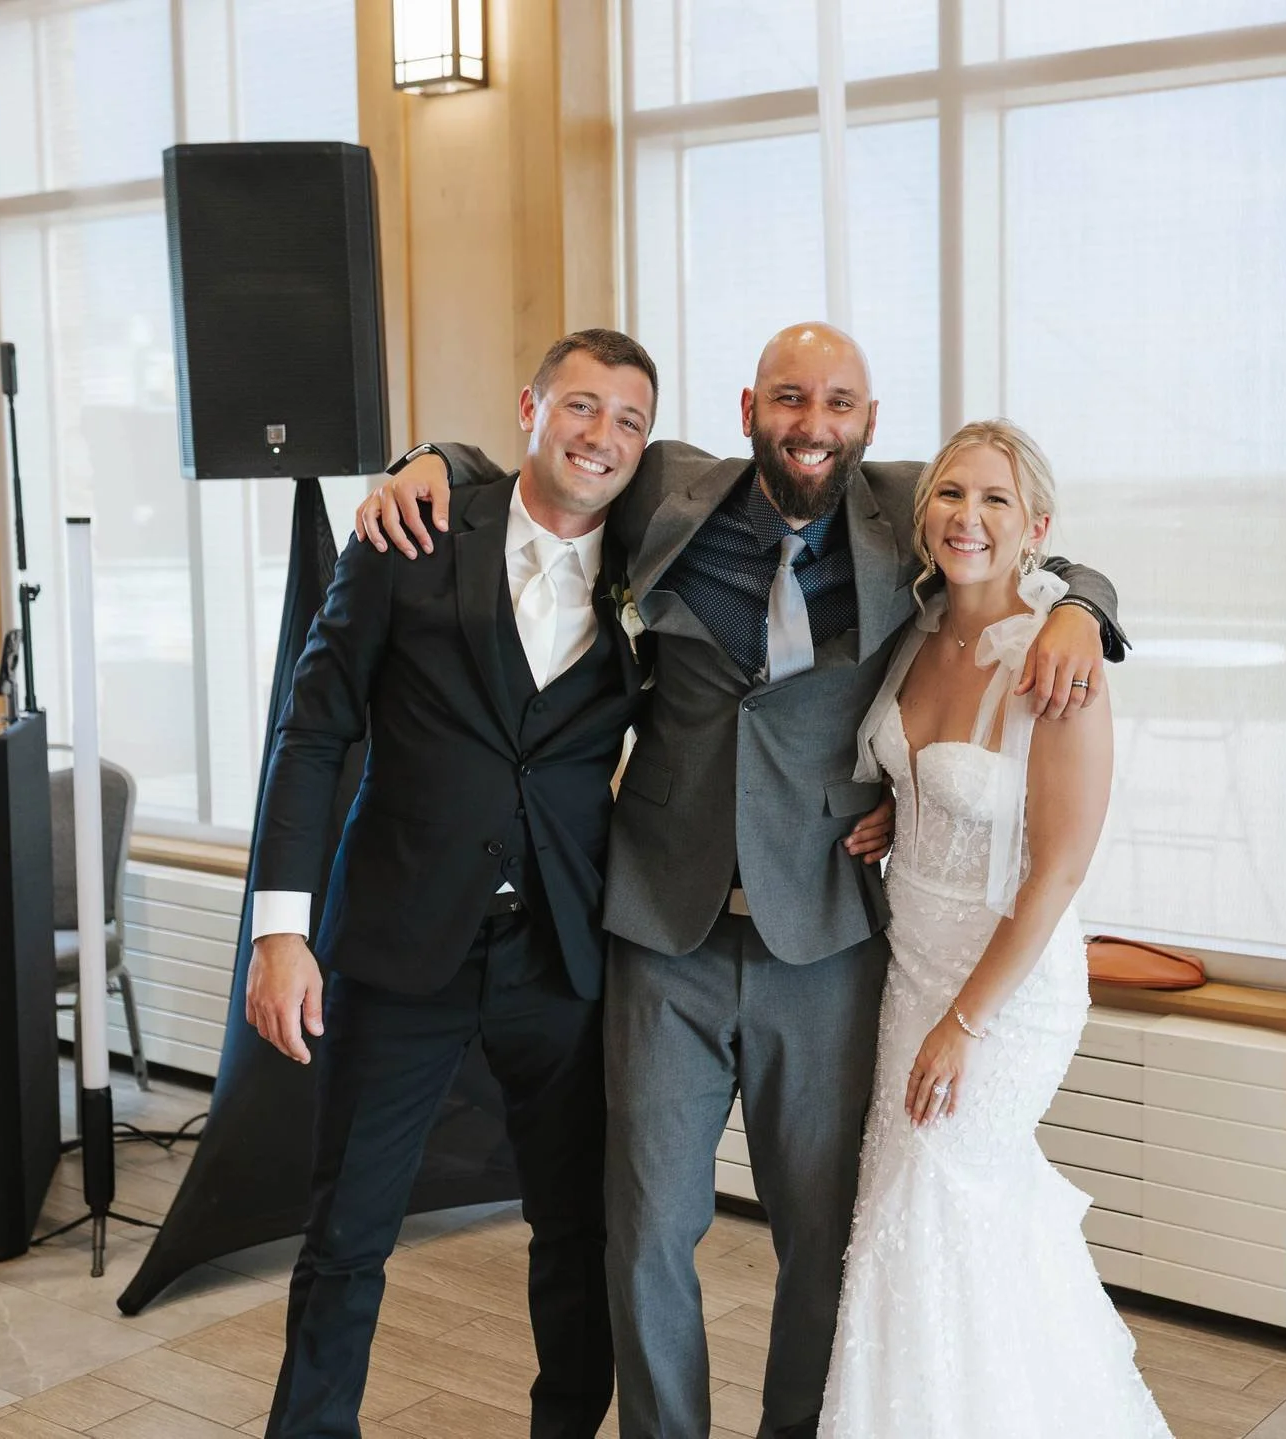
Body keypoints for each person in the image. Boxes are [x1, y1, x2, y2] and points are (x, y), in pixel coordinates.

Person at [354, 324, 1127, 1439]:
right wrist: (428, 458)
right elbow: (543, 460)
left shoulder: (907, 503)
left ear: (869, 418)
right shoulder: (669, 481)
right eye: (792, 398)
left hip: (825, 940)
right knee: (648, 1228)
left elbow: (1031, 545)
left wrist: (1080, 609)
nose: (815, 425)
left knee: (823, 1234)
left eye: (841, 404)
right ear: (750, 404)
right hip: (664, 927)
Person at [245, 330, 659, 1439]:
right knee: (346, 1236)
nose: (601, 437)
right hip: (394, 945)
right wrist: (280, 930)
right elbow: (314, 727)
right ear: (531, 407)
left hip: (565, 956)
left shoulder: (656, 562)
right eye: (580, 407)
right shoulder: (410, 530)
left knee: (577, 1235)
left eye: (628, 421)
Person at [819, 420, 1169, 1437]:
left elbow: (1058, 865)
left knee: (939, 1198)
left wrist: (964, 1023)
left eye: (994, 500)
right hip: (909, 969)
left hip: (1005, 991)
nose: (967, 517)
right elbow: (926, 775)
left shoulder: (1060, 657)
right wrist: (905, 805)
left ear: (1037, 528)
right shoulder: (915, 630)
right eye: (950, 495)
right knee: (909, 1213)